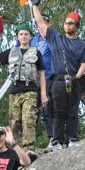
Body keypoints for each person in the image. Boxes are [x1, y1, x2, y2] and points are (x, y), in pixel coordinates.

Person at [32, 0, 85, 151]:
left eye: (71, 23)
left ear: (77, 26)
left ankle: (72, 138)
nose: (68, 25)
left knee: (73, 111)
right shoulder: (55, 38)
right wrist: (34, 6)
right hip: (58, 81)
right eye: (66, 23)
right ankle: (56, 141)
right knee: (58, 111)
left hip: (75, 80)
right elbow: (40, 23)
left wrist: (77, 77)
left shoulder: (82, 45)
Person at [0, 23, 47, 160]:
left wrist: (43, 93)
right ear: (17, 36)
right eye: (21, 34)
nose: (23, 36)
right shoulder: (11, 51)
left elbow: (42, 73)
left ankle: (29, 149)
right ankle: (11, 149)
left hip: (31, 90)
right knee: (14, 122)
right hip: (14, 91)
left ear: (31, 36)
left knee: (29, 119)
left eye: (26, 34)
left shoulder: (36, 52)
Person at [31, 13, 54, 149]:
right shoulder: (33, 40)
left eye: (45, 22)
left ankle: (52, 137)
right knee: (32, 110)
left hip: (49, 77)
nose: (42, 24)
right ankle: (29, 142)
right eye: (40, 22)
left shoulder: (52, 37)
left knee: (48, 108)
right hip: (34, 79)